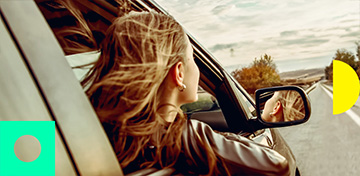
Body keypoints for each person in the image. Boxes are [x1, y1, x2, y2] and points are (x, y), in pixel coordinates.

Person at [82, 11, 290, 175]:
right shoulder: (188, 138)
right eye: (193, 59)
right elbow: (277, 166)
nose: (196, 69)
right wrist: (189, 133)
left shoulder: (71, 130)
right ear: (179, 73)